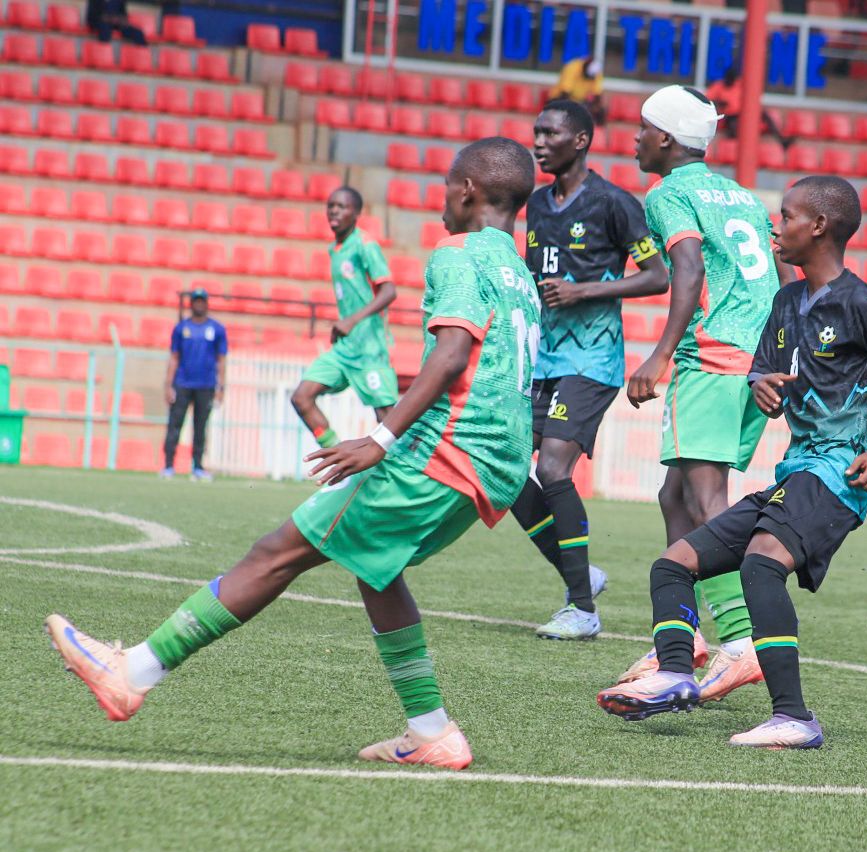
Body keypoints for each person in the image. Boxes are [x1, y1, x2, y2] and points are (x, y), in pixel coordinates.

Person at [45, 137, 540, 771]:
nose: (442, 197)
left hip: (442, 454)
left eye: (448, 185)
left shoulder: (458, 254)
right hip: (497, 465)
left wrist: (380, 439)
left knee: (276, 552)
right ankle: (430, 731)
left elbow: (450, 357)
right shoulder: (519, 272)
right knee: (376, 569)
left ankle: (132, 673)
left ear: (467, 190)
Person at [598, 175, 867, 748]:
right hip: (795, 470)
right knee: (672, 565)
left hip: (838, 474)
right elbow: (762, 371)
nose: (777, 228)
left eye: (788, 217)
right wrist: (762, 387)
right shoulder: (785, 300)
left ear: (819, 227)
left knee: (760, 564)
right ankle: (675, 674)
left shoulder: (861, 303)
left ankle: (794, 717)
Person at [614, 85, 793, 701]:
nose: (636, 138)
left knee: (706, 498)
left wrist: (660, 355)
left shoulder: (669, 192)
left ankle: (741, 641)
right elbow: (785, 270)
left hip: (712, 357)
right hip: (756, 359)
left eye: (643, 128)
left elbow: (687, 270)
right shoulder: (741, 194)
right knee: (676, 493)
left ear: (665, 138)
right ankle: (682, 632)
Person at [512, 99, 670, 641]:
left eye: (549, 133)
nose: (538, 142)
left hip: (592, 358)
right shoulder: (536, 203)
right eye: (536, 132)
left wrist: (583, 291)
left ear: (580, 140)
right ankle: (580, 573)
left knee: (554, 468)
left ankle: (582, 608)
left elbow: (658, 276)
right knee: (505, 471)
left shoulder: (614, 203)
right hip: (542, 357)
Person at [291, 187, 398, 448]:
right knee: (302, 397)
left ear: (357, 213)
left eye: (342, 206)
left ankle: (406, 467)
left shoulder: (364, 245)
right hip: (344, 349)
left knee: (388, 419)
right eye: (331, 206)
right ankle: (336, 458)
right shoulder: (335, 250)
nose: (334, 211)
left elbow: (389, 291)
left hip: (370, 348)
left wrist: (352, 320)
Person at [160, 289, 227, 481]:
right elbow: (174, 357)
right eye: (196, 301)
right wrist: (168, 384)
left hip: (206, 385)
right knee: (175, 424)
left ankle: (197, 467)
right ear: (191, 304)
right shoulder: (181, 328)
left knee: (200, 427)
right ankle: (168, 466)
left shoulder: (216, 329)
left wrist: (221, 387)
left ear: (206, 304)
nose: (199, 304)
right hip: (182, 383)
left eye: (202, 301)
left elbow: (221, 360)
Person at [705, 67, 791, 150]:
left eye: (732, 79)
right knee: (734, 124)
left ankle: (781, 139)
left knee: (765, 116)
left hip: (743, 113)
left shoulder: (739, 84)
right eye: (729, 79)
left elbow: (751, 95)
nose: (730, 81)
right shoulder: (718, 86)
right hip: (729, 115)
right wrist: (720, 103)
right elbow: (708, 100)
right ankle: (741, 145)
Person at [547, 56, 607, 126]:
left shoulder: (596, 73)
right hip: (560, 98)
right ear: (584, 68)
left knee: (600, 111)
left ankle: (597, 131)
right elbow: (565, 93)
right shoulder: (572, 68)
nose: (589, 79)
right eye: (588, 76)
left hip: (579, 101)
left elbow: (597, 94)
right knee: (567, 110)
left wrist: (596, 106)